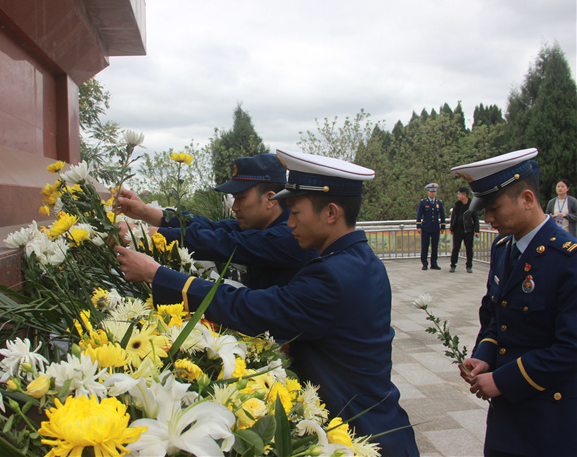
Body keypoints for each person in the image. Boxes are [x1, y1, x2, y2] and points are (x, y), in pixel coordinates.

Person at [116, 150, 420, 456]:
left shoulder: (332, 275)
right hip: (376, 420)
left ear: (330, 213)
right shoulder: (359, 260)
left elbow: (250, 308)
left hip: (363, 436)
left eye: (296, 213)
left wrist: (158, 275)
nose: (289, 224)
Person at [452, 148, 577, 456]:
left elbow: (570, 348)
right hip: (505, 419)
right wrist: (484, 355)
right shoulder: (503, 247)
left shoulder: (567, 260)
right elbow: (496, 315)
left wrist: (504, 380)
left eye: (494, 208)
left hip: (549, 420)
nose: (489, 219)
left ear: (527, 199)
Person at [115, 153, 317, 289]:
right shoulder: (257, 226)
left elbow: (221, 243)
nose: (234, 207)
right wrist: (145, 212)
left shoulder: (289, 236)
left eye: (240, 198)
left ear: (270, 198)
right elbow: (208, 227)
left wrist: (143, 234)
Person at [449, 186, 480, 273]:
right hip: (458, 230)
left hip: (468, 230)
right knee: (456, 249)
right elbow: (453, 217)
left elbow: (475, 218)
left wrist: (477, 230)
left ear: (464, 195)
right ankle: (453, 265)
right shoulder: (457, 205)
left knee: (469, 249)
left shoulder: (472, 205)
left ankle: (469, 266)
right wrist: (452, 228)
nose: (458, 196)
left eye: (459, 194)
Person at [416, 183, 446, 270]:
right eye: (431, 192)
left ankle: (434, 263)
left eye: (434, 192)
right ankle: (424, 263)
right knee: (425, 246)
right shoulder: (423, 202)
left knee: (435, 246)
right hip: (426, 227)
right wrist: (418, 226)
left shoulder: (439, 203)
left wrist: (443, 226)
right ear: (428, 192)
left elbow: (442, 215)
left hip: (435, 227)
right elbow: (419, 215)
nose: (432, 193)